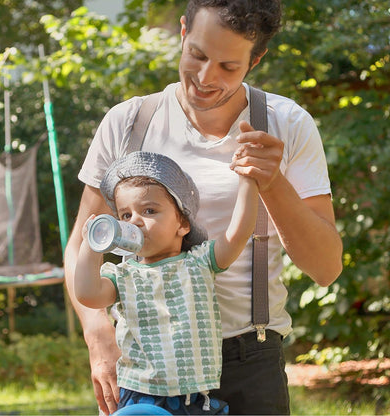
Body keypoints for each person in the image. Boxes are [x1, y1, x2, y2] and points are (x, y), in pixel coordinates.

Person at [64, 0, 343, 414]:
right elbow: (81, 243)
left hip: (250, 362)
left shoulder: (287, 123)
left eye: (228, 67)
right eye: (196, 54)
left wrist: (272, 182)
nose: (205, 78)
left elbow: (325, 268)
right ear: (182, 32)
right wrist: (97, 332)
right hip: (147, 366)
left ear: (256, 59)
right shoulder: (128, 123)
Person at [74, 150, 259, 414]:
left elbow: (239, 233)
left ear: (182, 223)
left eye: (149, 210)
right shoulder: (124, 274)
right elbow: (87, 294)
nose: (135, 221)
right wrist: (91, 246)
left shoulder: (199, 262)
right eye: (125, 215)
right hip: (139, 395)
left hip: (191, 397)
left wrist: (248, 180)